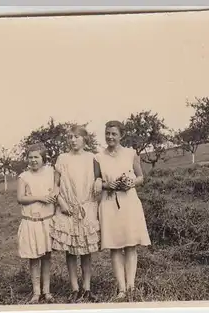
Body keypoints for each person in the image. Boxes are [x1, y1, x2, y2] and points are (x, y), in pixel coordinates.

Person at [93, 120, 151, 302]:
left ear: (121, 136)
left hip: (129, 203)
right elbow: (96, 181)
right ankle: (121, 289)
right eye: (107, 133)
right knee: (115, 247)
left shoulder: (131, 154)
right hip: (109, 203)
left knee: (130, 244)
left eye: (114, 134)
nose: (110, 137)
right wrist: (105, 184)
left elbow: (141, 177)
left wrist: (131, 182)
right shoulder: (98, 157)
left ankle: (131, 286)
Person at [50, 125, 101, 303]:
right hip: (67, 208)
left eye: (76, 137)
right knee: (70, 250)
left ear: (84, 139)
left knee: (86, 250)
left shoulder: (92, 157)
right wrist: (61, 203)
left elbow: (98, 177)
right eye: (70, 137)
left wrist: (99, 181)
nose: (73, 140)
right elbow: (55, 185)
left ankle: (87, 288)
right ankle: (74, 288)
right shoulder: (62, 159)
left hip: (87, 207)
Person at [16, 143, 58, 304]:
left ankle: (47, 292)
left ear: (43, 158)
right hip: (31, 222)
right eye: (30, 157)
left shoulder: (50, 172)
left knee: (47, 257)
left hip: (47, 221)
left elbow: (57, 186)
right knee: (34, 258)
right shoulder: (24, 177)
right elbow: (21, 198)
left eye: (36, 157)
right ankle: (36, 292)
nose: (33, 160)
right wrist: (39, 197)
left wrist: (54, 193)